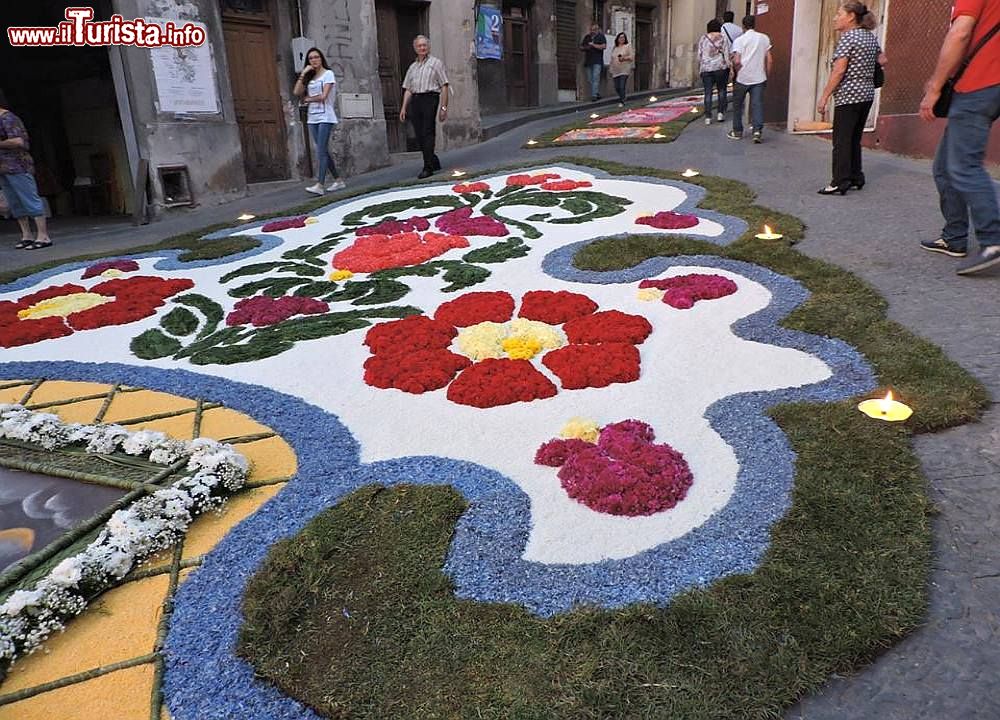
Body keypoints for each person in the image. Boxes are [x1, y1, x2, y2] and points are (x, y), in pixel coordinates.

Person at [919, 0, 1000, 275]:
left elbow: (960, 33)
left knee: (965, 166)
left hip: (979, 84)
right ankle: (954, 238)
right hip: (988, 87)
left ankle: (993, 242)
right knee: (944, 166)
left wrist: (935, 86)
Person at [816, 2, 886, 195]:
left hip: (849, 96)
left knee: (841, 140)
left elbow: (839, 71)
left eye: (839, 14)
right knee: (854, 138)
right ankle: (856, 176)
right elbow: (883, 60)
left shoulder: (848, 38)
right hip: (866, 95)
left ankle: (839, 181)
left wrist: (824, 97)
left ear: (851, 17)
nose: (835, 18)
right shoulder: (869, 37)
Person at [293, 48, 345, 196]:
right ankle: (338, 180)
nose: (314, 60)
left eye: (316, 57)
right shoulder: (309, 77)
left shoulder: (328, 74)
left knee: (320, 150)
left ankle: (320, 184)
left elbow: (323, 96)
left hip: (326, 116)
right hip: (312, 117)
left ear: (321, 58)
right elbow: (297, 92)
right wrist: (303, 73)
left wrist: (308, 99)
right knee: (323, 150)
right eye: (310, 58)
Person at [0, 100, 50, 250]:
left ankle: (43, 235)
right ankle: (26, 235)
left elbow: (18, 141)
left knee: (29, 198)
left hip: (17, 165)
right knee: (15, 201)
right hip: (3, 168)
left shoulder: (8, 118)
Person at [400, 35, 450, 179]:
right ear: (415, 48)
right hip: (415, 100)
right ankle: (433, 159)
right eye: (419, 46)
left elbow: (444, 85)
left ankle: (427, 167)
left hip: (430, 98)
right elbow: (408, 88)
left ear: (428, 47)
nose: (422, 48)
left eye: (424, 45)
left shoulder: (436, 63)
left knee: (428, 131)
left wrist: (443, 107)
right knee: (419, 134)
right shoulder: (413, 67)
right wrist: (404, 107)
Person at [728, 15, 773, 143]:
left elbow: (737, 60)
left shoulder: (740, 40)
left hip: (742, 78)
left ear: (743, 26)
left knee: (737, 105)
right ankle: (757, 131)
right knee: (757, 104)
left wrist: (736, 71)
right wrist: (766, 75)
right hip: (759, 78)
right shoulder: (764, 38)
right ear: (754, 25)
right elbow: (769, 60)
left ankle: (737, 131)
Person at [698, 19, 730, 124]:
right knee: (721, 90)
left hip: (706, 68)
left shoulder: (703, 38)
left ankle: (708, 117)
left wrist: (702, 65)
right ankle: (720, 113)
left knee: (708, 92)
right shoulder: (723, 38)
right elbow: (726, 53)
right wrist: (729, 65)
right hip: (720, 68)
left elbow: (699, 55)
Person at [580, 23, 607, 101]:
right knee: (590, 79)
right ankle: (596, 92)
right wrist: (586, 47)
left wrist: (593, 45)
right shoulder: (587, 37)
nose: (593, 31)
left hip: (597, 61)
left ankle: (594, 96)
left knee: (595, 78)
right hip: (588, 61)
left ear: (598, 29)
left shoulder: (601, 36)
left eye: (595, 29)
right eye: (592, 29)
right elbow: (581, 47)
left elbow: (603, 46)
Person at [610, 33, 634, 106]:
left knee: (621, 86)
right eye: (620, 38)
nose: (622, 39)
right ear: (617, 39)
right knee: (617, 87)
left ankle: (622, 101)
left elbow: (632, 57)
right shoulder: (615, 48)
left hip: (624, 69)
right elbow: (612, 59)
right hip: (615, 70)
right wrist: (611, 69)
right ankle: (623, 97)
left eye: (623, 37)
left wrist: (624, 58)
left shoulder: (627, 46)